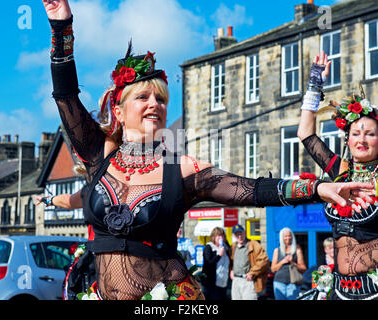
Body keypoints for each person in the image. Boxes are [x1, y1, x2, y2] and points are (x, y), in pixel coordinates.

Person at [41, 0, 374, 300]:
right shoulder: (100, 156)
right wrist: (61, 26)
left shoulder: (182, 168)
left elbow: (251, 190)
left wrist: (317, 187)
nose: (154, 104)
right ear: (119, 110)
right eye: (143, 97)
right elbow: (67, 96)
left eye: (161, 99)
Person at [297, 50, 378, 300]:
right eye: (356, 133)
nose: (361, 139)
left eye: (370, 133)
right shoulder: (341, 172)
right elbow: (306, 135)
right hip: (338, 290)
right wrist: (314, 84)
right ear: (348, 138)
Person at [229, 224, 269, 300]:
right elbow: (230, 261)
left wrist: (252, 272)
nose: (240, 236)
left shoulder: (253, 244)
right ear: (234, 235)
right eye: (237, 234)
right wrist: (231, 270)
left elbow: (264, 260)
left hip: (248, 281)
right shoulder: (233, 246)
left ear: (245, 232)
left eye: (241, 233)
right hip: (236, 281)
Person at [271, 227, 307, 300]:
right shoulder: (277, 250)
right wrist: (283, 261)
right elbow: (273, 269)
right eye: (285, 236)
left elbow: (303, 268)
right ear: (282, 238)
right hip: (279, 282)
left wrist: (293, 263)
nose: (288, 238)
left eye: (289, 235)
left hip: (293, 283)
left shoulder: (297, 249)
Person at [202, 227, 230, 300]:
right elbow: (208, 263)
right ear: (213, 237)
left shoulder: (226, 247)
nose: (220, 237)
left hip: (224, 282)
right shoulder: (209, 247)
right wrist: (219, 255)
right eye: (218, 235)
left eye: (222, 235)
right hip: (212, 284)